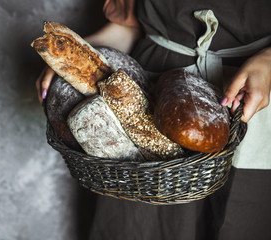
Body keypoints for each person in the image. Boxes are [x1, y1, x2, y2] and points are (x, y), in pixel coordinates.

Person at [36, 0, 271, 239]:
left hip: (252, 93)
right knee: (140, 227)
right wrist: (81, 57)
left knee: (241, 217)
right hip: (151, 87)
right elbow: (132, 25)